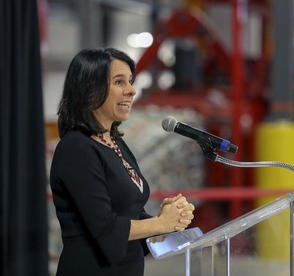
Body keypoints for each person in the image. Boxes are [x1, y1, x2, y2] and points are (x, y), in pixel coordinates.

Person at [50, 47, 195, 276]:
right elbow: (105, 227)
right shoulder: (77, 149)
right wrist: (161, 224)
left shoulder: (114, 142)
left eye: (130, 81)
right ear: (89, 89)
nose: (131, 91)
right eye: (119, 82)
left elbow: (128, 215)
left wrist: (166, 218)